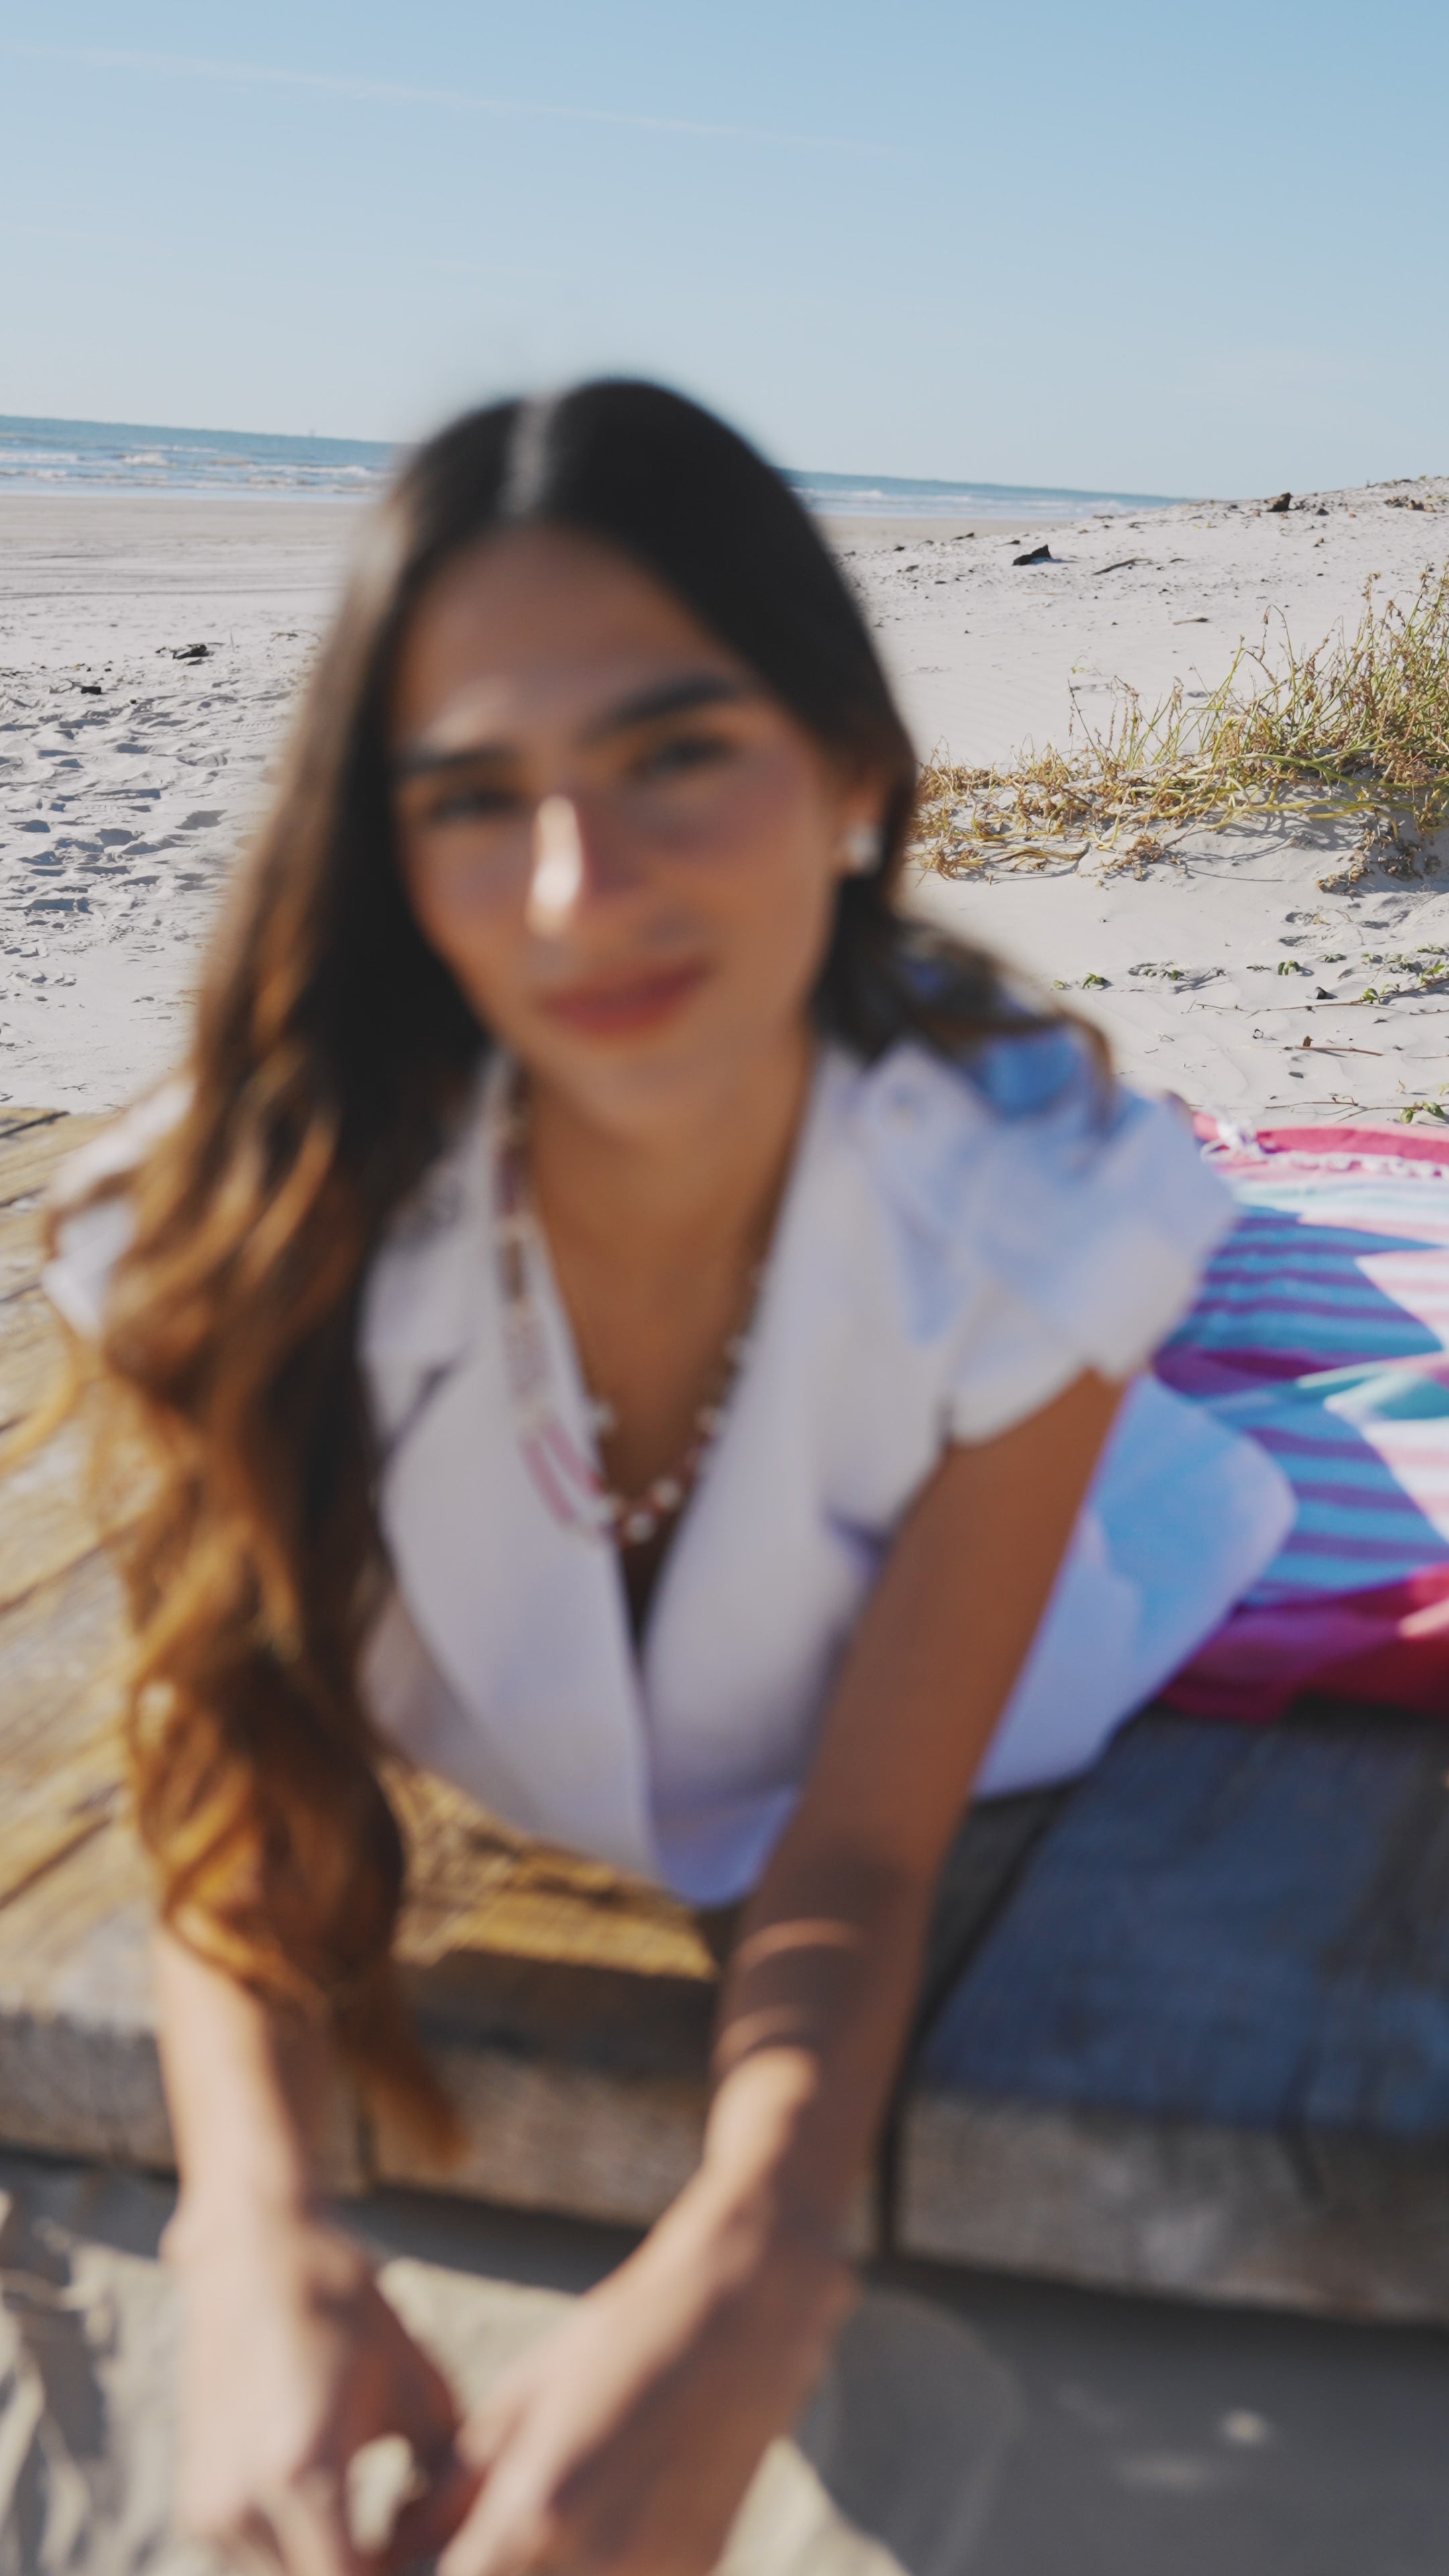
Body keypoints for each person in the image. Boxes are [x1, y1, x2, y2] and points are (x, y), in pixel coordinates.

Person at [42, 381, 1290, 2575]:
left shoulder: (1027, 1217)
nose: (575, 890)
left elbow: (859, 1850)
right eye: (471, 796)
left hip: (1002, 1653)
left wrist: (757, 2262)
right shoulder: (233, 1227)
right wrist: (251, 2238)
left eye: (675, 752)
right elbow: (242, 1774)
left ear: (853, 771)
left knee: (1190, 1318)